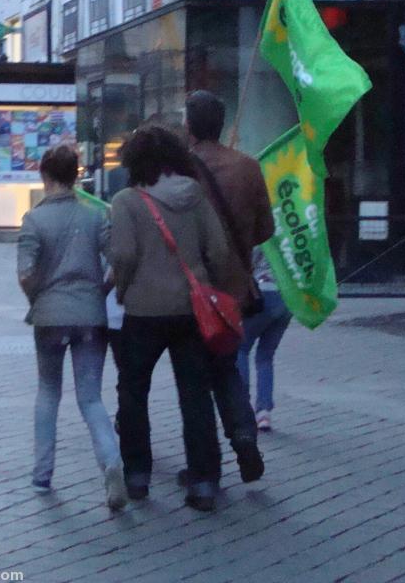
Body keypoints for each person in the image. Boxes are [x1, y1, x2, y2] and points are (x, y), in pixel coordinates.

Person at [110, 125, 235, 512]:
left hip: (143, 310)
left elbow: (124, 255)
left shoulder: (127, 201)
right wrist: (206, 284)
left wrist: (123, 289)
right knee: (195, 395)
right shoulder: (195, 195)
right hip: (191, 310)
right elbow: (218, 249)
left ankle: (137, 475)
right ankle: (203, 481)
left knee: (133, 392)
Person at [16, 145, 126, 511]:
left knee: (48, 392)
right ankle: (111, 461)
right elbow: (118, 264)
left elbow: (25, 274)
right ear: (76, 175)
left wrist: (38, 299)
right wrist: (102, 290)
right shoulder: (95, 217)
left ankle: (42, 475)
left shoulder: (33, 220)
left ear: (44, 176)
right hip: (90, 314)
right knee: (91, 397)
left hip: (49, 316)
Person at [185, 90, 273, 482]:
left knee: (194, 380)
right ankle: (244, 437)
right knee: (227, 370)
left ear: (189, 125)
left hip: (192, 289)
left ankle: (206, 465)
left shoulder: (180, 170)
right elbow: (266, 229)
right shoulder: (248, 167)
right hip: (233, 290)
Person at [235, 250, 291, 432]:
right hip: (287, 298)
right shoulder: (291, 232)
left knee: (241, 349)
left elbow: (245, 261)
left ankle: (242, 408)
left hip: (262, 294)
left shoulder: (263, 231)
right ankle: (264, 412)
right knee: (266, 357)